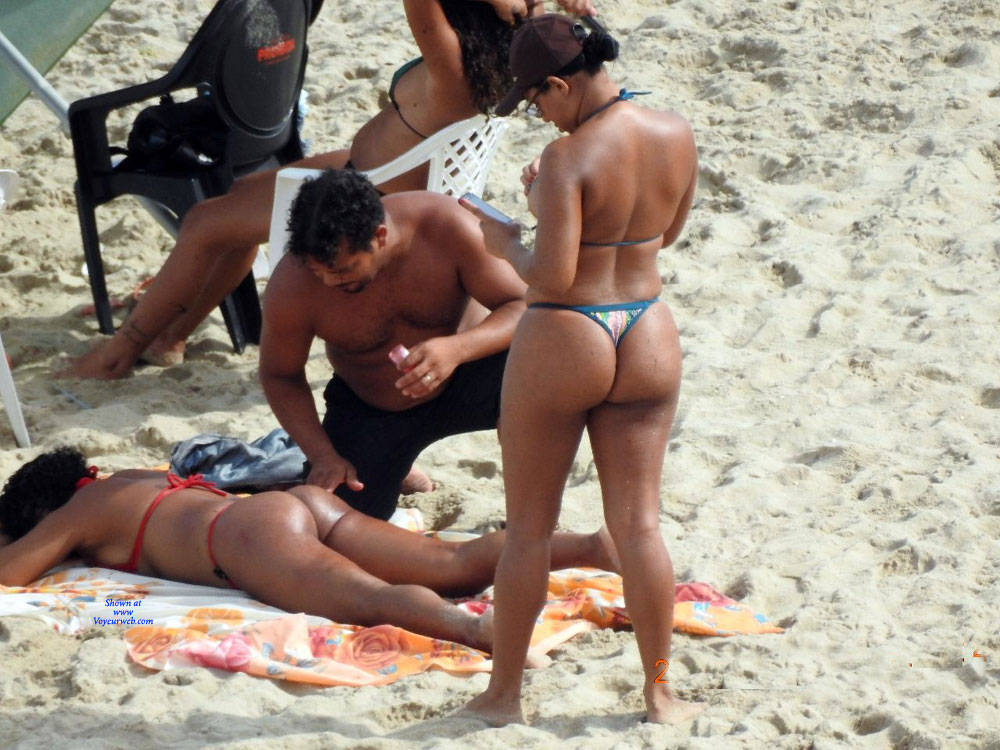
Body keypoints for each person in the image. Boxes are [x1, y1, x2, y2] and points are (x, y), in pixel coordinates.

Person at [65, 0, 559, 380]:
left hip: (375, 192)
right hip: (395, 173)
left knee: (205, 223)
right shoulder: (507, 57)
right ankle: (169, 338)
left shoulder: (451, 64)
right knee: (242, 198)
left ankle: (118, 354)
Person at [457, 15, 704, 724]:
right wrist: (558, 206)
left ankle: (504, 695)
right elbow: (667, 234)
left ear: (560, 85)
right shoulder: (676, 131)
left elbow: (552, 276)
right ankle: (660, 691)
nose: (538, 113)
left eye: (536, 98)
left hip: (569, 332)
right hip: (646, 326)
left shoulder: (567, 157)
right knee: (640, 528)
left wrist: (507, 240)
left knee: (529, 530)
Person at [0, 448, 619, 652]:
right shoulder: (132, 478)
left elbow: (11, 570)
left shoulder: (80, 513)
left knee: (371, 599)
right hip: (296, 505)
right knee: (450, 564)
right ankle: (593, 546)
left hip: (244, 540)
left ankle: (481, 634)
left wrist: (29, 539)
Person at [259, 168, 525, 520]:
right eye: (318, 271)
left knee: (545, 368)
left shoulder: (445, 227)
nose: (328, 282)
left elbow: (523, 305)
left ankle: (531, 522)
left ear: (379, 236)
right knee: (338, 521)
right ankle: (396, 468)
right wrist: (322, 455)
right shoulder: (293, 284)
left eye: (342, 270)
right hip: (374, 408)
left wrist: (457, 349)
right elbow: (280, 375)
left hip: (469, 372)